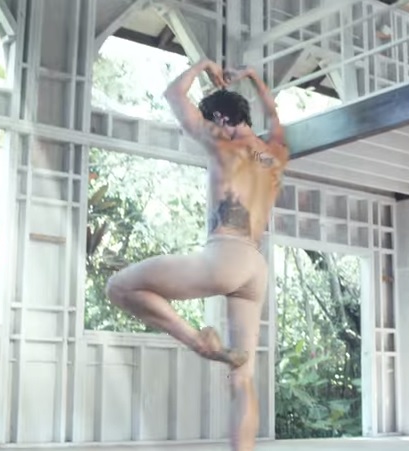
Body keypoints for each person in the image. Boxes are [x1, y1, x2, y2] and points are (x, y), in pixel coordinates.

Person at [105, 58, 289, 451]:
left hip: (225, 254)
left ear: (220, 118)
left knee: (119, 287)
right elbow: (274, 115)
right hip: (255, 266)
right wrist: (254, 78)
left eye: (211, 119)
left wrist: (203, 65)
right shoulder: (274, 154)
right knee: (242, 376)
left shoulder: (223, 142)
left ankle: (198, 341)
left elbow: (174, 94)